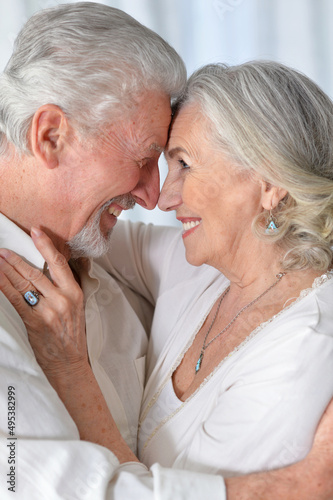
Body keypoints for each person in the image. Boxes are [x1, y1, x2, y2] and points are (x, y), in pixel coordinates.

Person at [1, 56, 333, 500]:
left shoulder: (303, 350)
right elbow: (71, 220)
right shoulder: (202, 271)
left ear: (270, 182)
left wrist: (69, 367)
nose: (164, 198)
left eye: (185, 165)